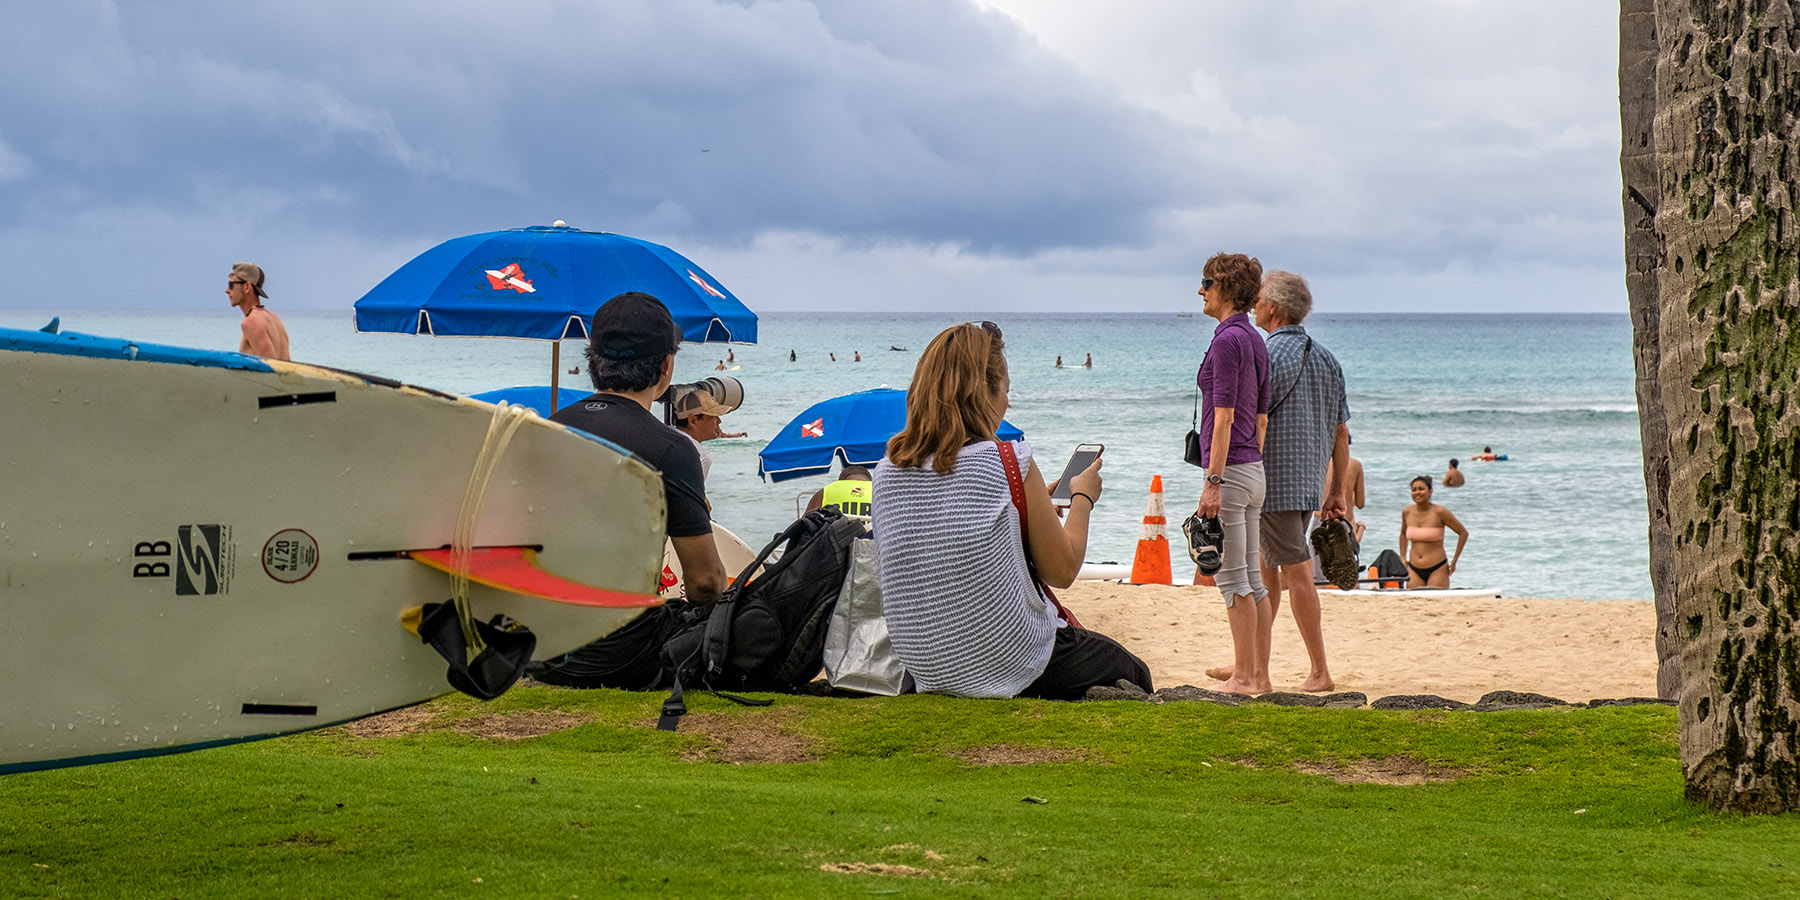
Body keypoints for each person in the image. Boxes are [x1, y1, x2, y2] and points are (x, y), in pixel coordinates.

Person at [872, 321, 1151, 699]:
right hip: (1007, 657)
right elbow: (1062, 571)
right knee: (1130, 670)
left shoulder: (888, 470)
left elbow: (948, 536)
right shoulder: (1008, 460)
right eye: (1006, 390)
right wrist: (1083, 498)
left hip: (930, 665)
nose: (1008, 402)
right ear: (984, 392)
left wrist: (1028, 507)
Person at [1210, 270, 1349, 693]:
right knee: (1266, 572)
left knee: (1295, 572)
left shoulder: (1267, 354)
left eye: (1261, 298)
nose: (1255, 303)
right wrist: (1337, 489)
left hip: (1273, 480)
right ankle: (1249, 663)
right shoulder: (1327, 358)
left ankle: (1317, 671)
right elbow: (1341, 433)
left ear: (1275, 307)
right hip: (1308, 481)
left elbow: (1251, 415)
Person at [549, 292, 725, 605]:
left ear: (592, 358)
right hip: (624, 639)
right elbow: (706, 581)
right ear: (666, 365)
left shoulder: (549, 427)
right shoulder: (672, 449)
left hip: (543, 630)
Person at [1192, 253, 1272, 696]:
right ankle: (1258, 675)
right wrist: (1246, 465)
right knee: (1253, 579)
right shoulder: (1255, 339)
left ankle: (1244, 677)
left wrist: (1214, 482)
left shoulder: (1227, 340)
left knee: (1232, 579)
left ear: (1224, 287)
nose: (1200, 290)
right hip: (1253, 467)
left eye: (1206, 282)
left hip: (1233, 471)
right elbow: (1260, 419)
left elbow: (1223, 418)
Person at [1398, 475, 1468, 589]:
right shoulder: (1407, 512)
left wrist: (1454, 561)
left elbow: (1463, 533)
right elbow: (1403, 534)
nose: (1417, 492)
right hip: (1413, 568)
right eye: (1414, 490)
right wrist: (1402, 557)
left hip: (1437, 568)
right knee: (1415, 602)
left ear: (1430, 491)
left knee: (1436, 603)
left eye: (1421, 489)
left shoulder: (1440, 512)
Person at [226, 263, 290, 360]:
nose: (227, 290)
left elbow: (270, 368)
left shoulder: (251, 322)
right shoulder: (274, 318)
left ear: (247, 287)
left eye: (231, 285)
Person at [672, 389, 734, 482]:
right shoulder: (699, 455)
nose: (719, 421)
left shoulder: (667, 434)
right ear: (693, 421)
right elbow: (695, 496)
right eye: (713, 416)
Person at [804, 464, 873, 516]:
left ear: (841, 482)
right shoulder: (878, 491)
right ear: (869, 480)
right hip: (873, 535)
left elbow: (803, 525)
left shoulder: (825, 492)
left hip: (836, 534)